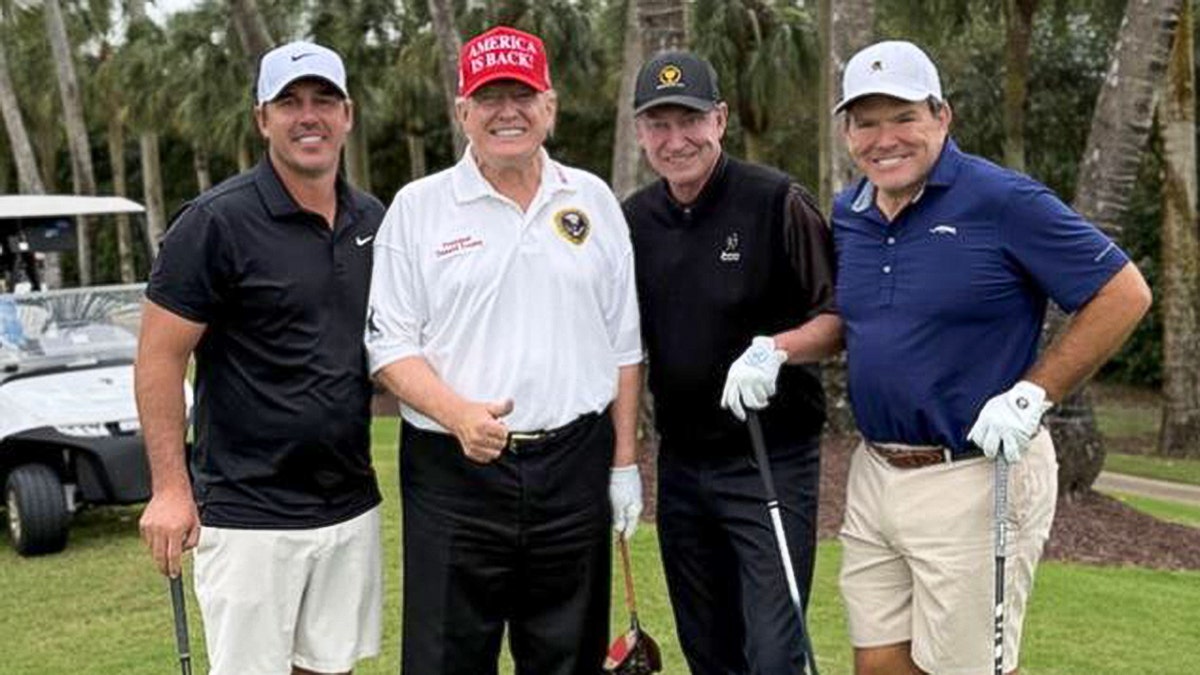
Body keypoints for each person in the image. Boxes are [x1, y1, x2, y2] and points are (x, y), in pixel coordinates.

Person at [832, 40, 1152, 675]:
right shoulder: (850, 214)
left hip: (977, 475)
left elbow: (1124, 293)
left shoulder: (1003, 200)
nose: (884, 139)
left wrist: (1033, 394)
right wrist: (776, 349)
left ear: (941, 116)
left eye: (903, 117)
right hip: (875, 473)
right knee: (879, 664)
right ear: (847, 134)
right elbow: (861, 324)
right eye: (866, 122)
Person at [365, 25, 643, 675]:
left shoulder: (593, 200)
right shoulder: (418, 208)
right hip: (452, 471)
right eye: (489, 97)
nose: (507, 112)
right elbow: (389, 346)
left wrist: (624, 463)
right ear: (462, 111)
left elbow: (624, 346)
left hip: (573, 465)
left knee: (568, 659)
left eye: (522, 95)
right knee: (445, 659)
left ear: (550, 105)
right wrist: (459, 414)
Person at [136, 41, 385, 675]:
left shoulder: (373, 219)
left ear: (347, 115)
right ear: (262, 119)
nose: (309, 116)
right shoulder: (214, 222)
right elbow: (160, 359)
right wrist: (170, 489)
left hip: (350, 501)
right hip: (248, 513)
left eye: (324, 100)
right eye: (289, 103)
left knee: (330, 669)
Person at [623, 51, 842, 675]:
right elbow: (621, 343)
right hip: (682, 466)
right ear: (640, 133)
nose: (675, 140)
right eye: (659, 125)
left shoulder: (776, 201)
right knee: (708, 650)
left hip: (769, 460)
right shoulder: (634, 220)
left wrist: (777, 349)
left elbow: (836, 319)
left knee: (773, 654)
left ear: (719, 119)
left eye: (690, 121)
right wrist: (620, 459)